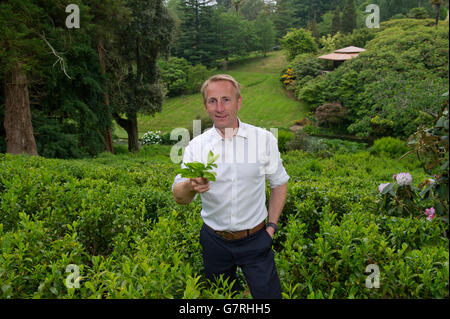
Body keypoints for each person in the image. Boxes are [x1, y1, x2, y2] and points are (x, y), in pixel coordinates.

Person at [172, 74, 289, 299]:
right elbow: (180, 196)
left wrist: (271, 228)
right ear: (206, 105)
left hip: (256, 239)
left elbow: (279, 183)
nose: (219, 108)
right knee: (222, 298)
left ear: (239, 102)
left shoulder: (263, 139)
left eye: (226, 99)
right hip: (214, 241)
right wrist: (190, 184)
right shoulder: (197, 146)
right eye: (212, 101)